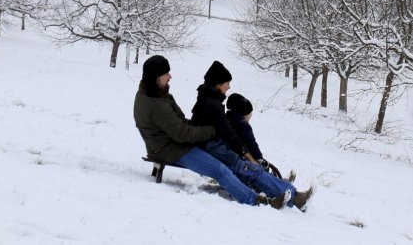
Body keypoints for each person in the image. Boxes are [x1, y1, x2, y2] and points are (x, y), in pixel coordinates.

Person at [132, 55, 267, 207]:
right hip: (170, 149)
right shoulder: (156, 103)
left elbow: (177, 124)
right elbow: (182, 134)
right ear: (155, 77)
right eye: (166, 74)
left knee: (225, 159)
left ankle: (260, 186)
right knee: (220, 170)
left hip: (169, 144)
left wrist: (197, 125)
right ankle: (253, 200)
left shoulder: (153, 94)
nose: (170, 77)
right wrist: (211, 130)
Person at [192, 61, 313, 210]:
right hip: (214, 149)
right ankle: (293, 197)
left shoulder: (207, 99)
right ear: (218, 84)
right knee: (250, 169)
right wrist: (246, 154)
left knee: (252, 168)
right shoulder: (212, 104)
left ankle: (286, 190)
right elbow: (228, 133)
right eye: (227, 83)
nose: (228, 87)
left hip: (213, 147)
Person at [226, 93, 294, 181]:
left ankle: (275, 180)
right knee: (261, 166)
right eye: (250, 113)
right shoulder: (243, 125)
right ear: (245, 114)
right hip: (240, 155)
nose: (251, 115)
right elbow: (251, 143)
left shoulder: (228, 118)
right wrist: (259, 158)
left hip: (234, 153)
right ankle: (276, 183)